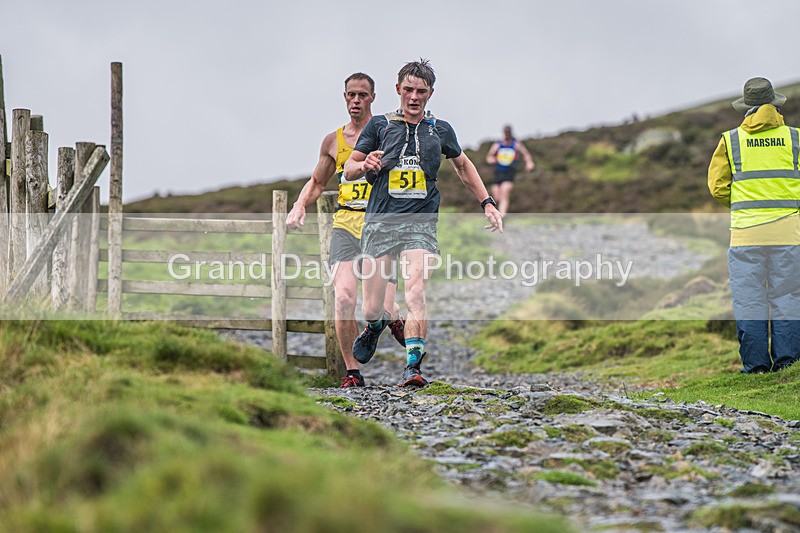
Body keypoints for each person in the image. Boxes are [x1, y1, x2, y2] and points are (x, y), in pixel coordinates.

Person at [343, 59, 503, 387]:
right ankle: (374, 327)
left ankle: (413, 367)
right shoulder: (379, 127)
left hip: (421, 222)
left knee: (415, 291)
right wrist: (365, 164)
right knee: (373, 307)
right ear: (398, 89)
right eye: (409, 90)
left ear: (430, 93)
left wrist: (487, 203)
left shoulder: (440, 129)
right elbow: (349, 168)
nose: (414, 96)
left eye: (421, 91)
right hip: (381, 222)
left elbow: (463, 166)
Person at [286, 72, 405, 388]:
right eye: (351, 95)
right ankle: (353, 372)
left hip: (381, 226)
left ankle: (392, 319)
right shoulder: (333, 141)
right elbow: (317, 182)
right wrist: (300, 206)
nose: (356, 101)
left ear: (373, 98)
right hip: (346, 225)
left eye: (362, 95)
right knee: (343, 297)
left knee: (379, 305)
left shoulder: (389, 133)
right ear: (344, 97)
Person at [708, 76, 800, 373]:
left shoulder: (730, 140)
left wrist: (743, 206)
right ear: (774, 103)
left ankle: (756, 367)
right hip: (790, 234)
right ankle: (788, 364)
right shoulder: (796, 138)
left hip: (746, 235)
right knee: (788, 297)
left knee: (750, 301)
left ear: (746, 107)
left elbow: (718, 187)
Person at [485, 125, 535, 216]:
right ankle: (495, 214)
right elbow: (489, 157)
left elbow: (526, 155)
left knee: (505, 192)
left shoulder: (516, 144)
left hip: (509, 172)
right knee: (496, 196)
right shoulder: (498, 145)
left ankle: (502, 215)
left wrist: (529, 163)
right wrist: (492, 160)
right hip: (498, 172)